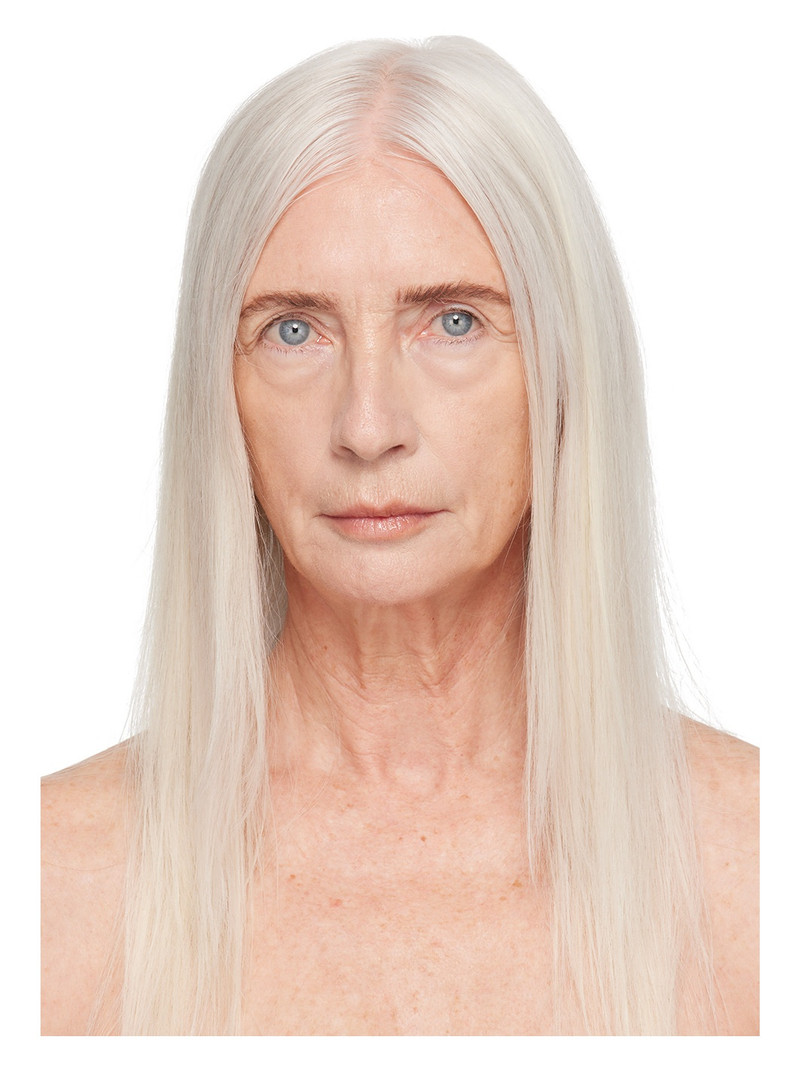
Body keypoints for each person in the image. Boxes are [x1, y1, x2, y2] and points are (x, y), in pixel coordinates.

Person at [40, 36, 758, 1036]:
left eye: (453, 321)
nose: (367, 426)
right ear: (220, 389)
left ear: (562, 371)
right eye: (293, 329)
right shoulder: (50, 890)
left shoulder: (756, 871)